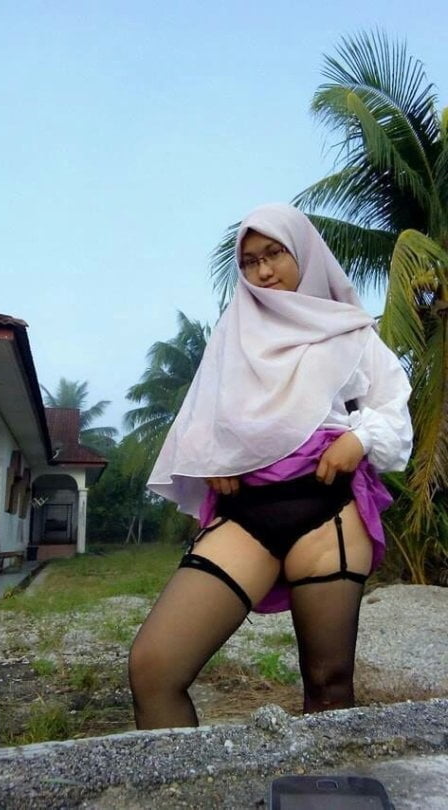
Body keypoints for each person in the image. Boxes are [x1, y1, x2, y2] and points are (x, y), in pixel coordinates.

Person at [129, 203, 412, 729]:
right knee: (153, 668)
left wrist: (360, 438)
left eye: (274, 253)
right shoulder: (233, 332)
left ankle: (329, 780)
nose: (263, 271)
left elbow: (393, 409)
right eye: (250, 261)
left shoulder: (349, 331)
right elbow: (201, 415)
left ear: (302, 252)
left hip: (326, 509)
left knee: (328, 684)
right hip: (245, 512)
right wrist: (209, 456)